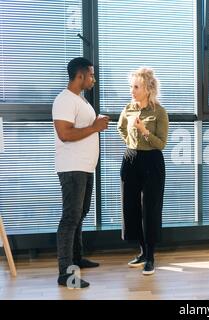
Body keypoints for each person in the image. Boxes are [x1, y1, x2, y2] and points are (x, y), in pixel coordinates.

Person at [53, 57, 110, 288]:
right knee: (70, 218)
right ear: (80, 76)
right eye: (91, 75)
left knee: (80, 214)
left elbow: (82, 129)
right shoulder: (65, 100)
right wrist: (95, 127)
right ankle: (66, 273)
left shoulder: (81, 100)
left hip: (84, 167)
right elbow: (64, 134)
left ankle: (76, 258)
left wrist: (95, 123)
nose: (93, 79)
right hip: (72, 168)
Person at [117, 67, 169, 275]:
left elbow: (161, 143)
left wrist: (143, 131)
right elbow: (120, 128)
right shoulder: (128, 108)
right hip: (130, 159)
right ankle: (141, 252)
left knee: (150, 208)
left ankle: (150, 256)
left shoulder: (159, 112)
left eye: (136, 87)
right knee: (131, 207)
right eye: (131, 86)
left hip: (152, 161)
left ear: (148, 89)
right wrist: (131, 143)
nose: (132, 90)